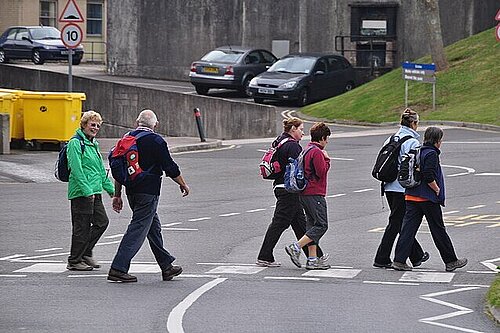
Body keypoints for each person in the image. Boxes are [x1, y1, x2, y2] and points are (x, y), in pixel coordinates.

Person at [107, 109, 190, 283]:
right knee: (138, 228)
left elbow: (118, 169)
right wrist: (182, 183)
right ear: (156, 125)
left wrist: (117, 194)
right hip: (148, 191)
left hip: (131, 191)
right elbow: (170, 167)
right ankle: (118, 268)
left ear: (137, 122)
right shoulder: (156, 141)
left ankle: (166, 266)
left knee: (153, 228)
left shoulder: (127, 138)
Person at [393, 127, 467, 272]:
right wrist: (437, 189)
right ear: (437, 141)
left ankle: (399, 260)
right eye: (441, 140)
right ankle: (451, 261)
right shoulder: (431, 154)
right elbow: (429, 175)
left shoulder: (418, 150)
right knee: (438, 230)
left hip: (411, 195)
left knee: (408, 229)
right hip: (427, 198)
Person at [256, 117, 327, 267]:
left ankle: (314, 256)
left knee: (299, 223)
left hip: (280, 185)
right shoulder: (293, 147)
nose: (302, 133)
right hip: (289, 189)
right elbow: (299, 171)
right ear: (293, 129)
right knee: (280, 222)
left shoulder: (279, 141)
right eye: (301, 129)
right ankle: (265, 256)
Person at [373, 109, 429, 269]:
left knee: (400, 222)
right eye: (417, 123)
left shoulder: (391, 138)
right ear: (413, 123)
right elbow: (415, 166)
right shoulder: (412, 142)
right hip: (401, 188)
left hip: (388, 186)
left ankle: (416, 255)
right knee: (397, 223)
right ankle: (382, 257)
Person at [66, 110, 114, 271]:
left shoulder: (93, 144)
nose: (95, 128)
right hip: (81, 193)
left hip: (95, 193)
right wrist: (87, 191)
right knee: (82, 227)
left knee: (102, 222)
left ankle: (85, 253)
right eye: (92, 125)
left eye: (98, 126)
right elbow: (76, 169)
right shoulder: (75, 143)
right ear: (84, 125)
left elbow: (100, 170)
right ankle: (74, 260)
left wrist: (112, 190)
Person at [285, 122, 332, 270]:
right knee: (322, 225)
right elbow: (321, 172)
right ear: (322, 138)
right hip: (315, 193)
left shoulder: (306, 149)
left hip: (304, 193)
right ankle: (296, 246)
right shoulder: (317, 152)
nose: (327, 142)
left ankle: (312, 259)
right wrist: (327, 159)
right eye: (327, 138)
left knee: (312, 225)